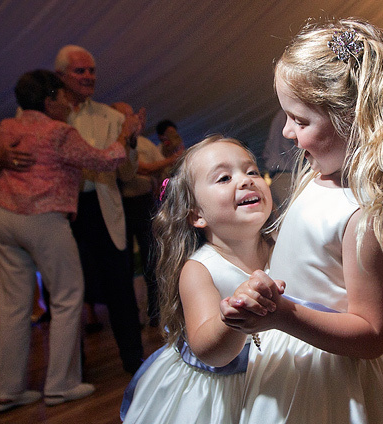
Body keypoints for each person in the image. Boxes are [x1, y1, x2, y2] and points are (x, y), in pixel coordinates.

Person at [223, 18, 383, 423]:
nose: (286, 131)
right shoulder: (313, 180)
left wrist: (283, 315)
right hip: (286, 360)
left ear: (355, 120)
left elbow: (372, 335)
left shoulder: (362, 214)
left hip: (331, 379)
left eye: (300, 121)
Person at [0, 70, 138, 413]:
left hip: (3, 216)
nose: (67, 103)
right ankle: (61, 385)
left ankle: (7, 390)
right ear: (49, 100)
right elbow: (105, 160)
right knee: (68, 297)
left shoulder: (7, 127)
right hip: (42, 217)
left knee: (12, 305)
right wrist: (125, 134)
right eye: (61, 97)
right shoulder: (58, 132)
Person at [121, 136, 276, 423]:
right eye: (224, 178)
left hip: (279, 374)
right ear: (197, 215)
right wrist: (236, 314)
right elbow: (208, 349)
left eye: (251, 171)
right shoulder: (199, 269)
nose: (245, 181)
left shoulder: (282, 245)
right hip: (221, 393)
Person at [54, 45, 145, 374]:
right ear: (61, 76)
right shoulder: (49, 116)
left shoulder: (110, 116)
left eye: (92, 71)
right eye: (80, 71)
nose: (89, 76)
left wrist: (131, 140)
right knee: (68, 291)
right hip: (64, 210)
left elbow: (128, 173)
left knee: (120, 286)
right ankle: (72, 368)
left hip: (103, 207)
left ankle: (135, 363)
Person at [112, 102, 178, 326]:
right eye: (126, 115)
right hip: (123, 205)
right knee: (126, 263)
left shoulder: (145, 143)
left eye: (132, 115)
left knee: (152, 257)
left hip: (144, 204)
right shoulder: (117, 146)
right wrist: (173, 159)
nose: (132, 119)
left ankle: (155, 311)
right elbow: (140, 169)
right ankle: (130, 316)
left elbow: (156, 171)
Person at [261, 109, 297, 210]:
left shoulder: (279, 116)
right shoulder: (292, 114)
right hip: (289, 176)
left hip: (277, 177)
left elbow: (266, 153)